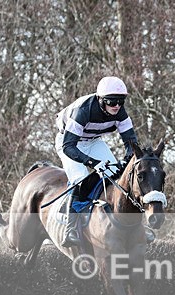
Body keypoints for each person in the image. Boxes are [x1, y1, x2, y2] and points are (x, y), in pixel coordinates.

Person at [55, 76, 139, 246]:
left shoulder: (121, 112)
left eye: (120, 101)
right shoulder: (84, 110)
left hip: (93, 141)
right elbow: (69, 147)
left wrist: (125, 160)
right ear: (101, 100)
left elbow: (132, 143)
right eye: (111, 101)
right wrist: (92, 163)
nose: (116, 106)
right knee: (80, 178)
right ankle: (70, 229)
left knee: (116, 173)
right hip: (69, 142)